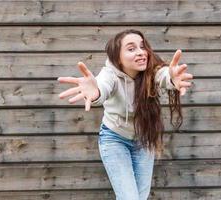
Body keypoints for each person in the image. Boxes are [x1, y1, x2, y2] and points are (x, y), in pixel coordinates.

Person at [57, 29, 193, 200]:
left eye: (142, 47)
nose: (141, 52)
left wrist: (172, 78)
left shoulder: (151, 71)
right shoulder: (110, 74)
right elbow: (102, 87)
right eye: (131, 48)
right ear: (117, 58)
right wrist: (96, 92)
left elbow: (163, 75)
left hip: (143, 139)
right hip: (115, 139)